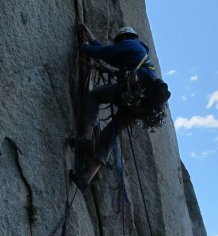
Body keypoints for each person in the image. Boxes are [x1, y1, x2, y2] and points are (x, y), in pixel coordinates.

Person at [70, 24, 170, 192]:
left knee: (95, 96)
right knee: (109, 135)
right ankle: (86, 179)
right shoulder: (140, 52)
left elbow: (103, 53)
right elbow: (108, 54)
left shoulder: (130, 45)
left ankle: (86, 137)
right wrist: (90, 36)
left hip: (132, 93)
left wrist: (84, 47)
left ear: (123, 38)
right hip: (141, 107)